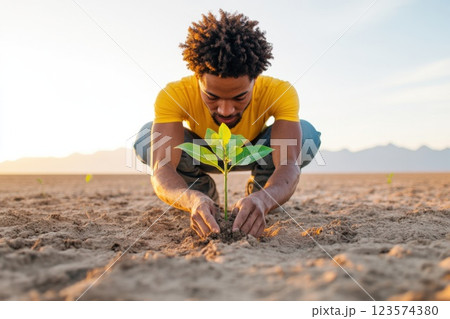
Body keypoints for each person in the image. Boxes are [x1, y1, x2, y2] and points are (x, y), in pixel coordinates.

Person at [134, 10, 321, 239]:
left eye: (239, 97)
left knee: (307, 136)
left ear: (255, 79)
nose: (225, 110)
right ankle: (203, 195)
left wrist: (264, 199)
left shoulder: (280, 92)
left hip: (252, 151)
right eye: (212, 97)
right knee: (147, 139)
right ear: (197, 78)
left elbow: (288, 164)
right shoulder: (173, 94)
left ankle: (257, 197)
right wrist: (191, 199)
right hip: (204, 152)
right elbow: (162, 169)